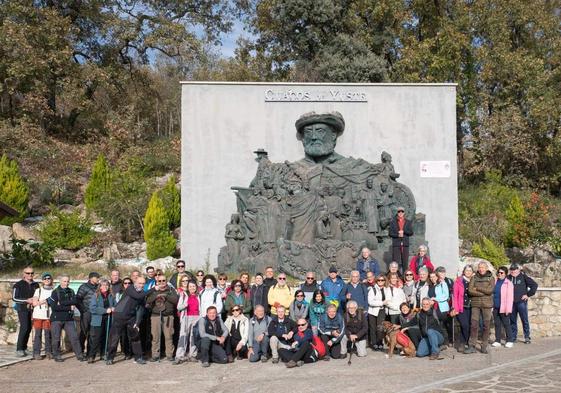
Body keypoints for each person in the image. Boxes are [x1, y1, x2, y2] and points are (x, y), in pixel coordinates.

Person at [105, 276, 147, 365]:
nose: (142, 285)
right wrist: (153, 289)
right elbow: (137, 296)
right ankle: (110, 357)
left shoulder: (143, 293)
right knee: (114, 338)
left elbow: (141, 308)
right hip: (119, 315)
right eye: (140, 283)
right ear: (135, 282)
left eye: (143, 283)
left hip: (131, 317)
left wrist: (137, 322)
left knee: (135, 336)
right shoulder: (130, 288)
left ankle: (138, 357)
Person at [47, 275, 84, 362]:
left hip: (69, 319)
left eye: (68, 281)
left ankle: (79, 355)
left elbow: (75, 301)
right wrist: (68, 307)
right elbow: (54, 307)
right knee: (56, 338)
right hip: (57, 319)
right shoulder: (55, 292)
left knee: (74, 337)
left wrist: (62, 303)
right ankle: (57, 355)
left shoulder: (71, 291)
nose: (66, 283)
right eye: (64, 281)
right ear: (60, 282)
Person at [145, 274, 179, 362]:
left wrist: (166, 296)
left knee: (168, 336)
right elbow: (148, 300)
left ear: (166, 281)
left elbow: (176, 301)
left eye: (163, 280)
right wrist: (156, 296)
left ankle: (169, 354)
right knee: (155, 336)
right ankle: (155, 354)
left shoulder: (171, 290)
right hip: (156, 315)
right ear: (157, 282)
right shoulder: (154, 291)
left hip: (168, 316)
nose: (162, 282)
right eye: (159, 281)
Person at [464, 262, 495, 354]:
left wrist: (477, 288)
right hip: (475, 304)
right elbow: (470, 291)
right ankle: (472, 346)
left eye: (483, 267)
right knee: (473, 325)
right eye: (480, 267)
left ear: (486, 268)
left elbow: (490, 291)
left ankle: (484, 346)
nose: (481, 269)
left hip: (487, 305)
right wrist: (482, 293)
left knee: (486, 326)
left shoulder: (491, 278)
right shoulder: (474, 277)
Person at [12, 267, 40, 357]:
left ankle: (24, 347)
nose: (30, 275)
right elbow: (14, 298)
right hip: (22, 309)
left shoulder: (36, 285)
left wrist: (35, 300)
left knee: (28, 328)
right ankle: (19, 349)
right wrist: (26, 300)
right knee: (24, 327)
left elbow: (38, 295)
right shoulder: (18, 285)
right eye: (28, 273)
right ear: (23, 274)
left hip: (32, 309)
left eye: (32, 273)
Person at [508, 263, 538, 344]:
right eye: (511, 269)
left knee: (524, 320)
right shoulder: (508, 278)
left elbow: (534, 285)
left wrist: (528, 295)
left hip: (521, 303)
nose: (513, 271)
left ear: (518, 269)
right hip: (511, 303)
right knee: (512, 321)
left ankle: (527, 337)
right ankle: (513, 337)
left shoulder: (523, 277)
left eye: (514, 269)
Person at [88, 279, 115, 363]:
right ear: (100, 286)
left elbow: (115, 304)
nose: (105, 287)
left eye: (106, 285)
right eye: (103, 285)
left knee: (106, 338)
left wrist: (114, 308)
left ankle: (103, 354)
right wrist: (105, 310)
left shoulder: (111, 295)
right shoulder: (95, 295)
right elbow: (92, 308)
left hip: (108, 319)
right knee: (96, 338)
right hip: (98, 320)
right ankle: (91, 356)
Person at [174, 279, 200, 364]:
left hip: (197, 317)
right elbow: (178, 307)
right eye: (190, 286)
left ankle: (192, 355)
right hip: (186, 317)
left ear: (196, 287)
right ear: (187, 287)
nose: (192, 288)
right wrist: (185, 304)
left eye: (193, 286)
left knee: (193, 336)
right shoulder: (184, 295)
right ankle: (180, 355)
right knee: (183, 335)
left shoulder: (199, 295)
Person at [31, 272, 54, 360]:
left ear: (51, 280)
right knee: (38, 334)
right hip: (38, 316)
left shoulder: (54, 291)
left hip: (48, 316)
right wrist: (45, 301)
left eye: (48, 278)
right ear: (42, 280)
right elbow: (34, 302)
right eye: (45, 279)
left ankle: (48, 352)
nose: (47, 280)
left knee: (48, 334)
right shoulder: (38, 290)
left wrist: (45, 301)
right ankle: (36, 353)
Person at [76, 272, 99, 354]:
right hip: (86, 313)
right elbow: (77, 299)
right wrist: (83, 310)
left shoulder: (98, 287)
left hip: (95, 313)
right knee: (84, 332)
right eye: (96, 277)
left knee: (92, 333)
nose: (98, 279)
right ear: (91, 278)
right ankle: (80, 351)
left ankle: (90, 352)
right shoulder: (84, 287)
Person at [451, 265, 474, 352]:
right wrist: (455, 308)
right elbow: (455, 296)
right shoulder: (459, 281)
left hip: (472, 307)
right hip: (462, 307)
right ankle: (463, 342)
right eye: (467, 270)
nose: (468, 272)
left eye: (470, 270)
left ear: (472, 272)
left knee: (470, 325)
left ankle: (467, 343)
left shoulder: (474, 280)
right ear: (464, 271)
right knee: (464, 325)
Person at [491, 266, 515, 348]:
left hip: (504, 307)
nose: (499, 274)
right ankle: (497, 340)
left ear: (505, 274)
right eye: (499, 272)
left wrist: (508, 309)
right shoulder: (495, 281)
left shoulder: (508, 283)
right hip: (495, 307)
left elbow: (510, 297)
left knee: (506, 324)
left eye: (502, 273)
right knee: (497, 324)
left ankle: (510, 340)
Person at [367, 274, 389, 351]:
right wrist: (382, 302)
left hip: (382, 310)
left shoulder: (387, 289)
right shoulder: (372, 289)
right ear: (376, 281)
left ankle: (380, 342)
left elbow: (388, 300)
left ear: (384, 281)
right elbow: (370, 302)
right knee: (373, 328)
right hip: (373, 311)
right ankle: (374, 343)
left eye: (382, 280)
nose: (380, 281)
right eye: (379, 280)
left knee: (380, 327)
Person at [427, 271, 450, 343]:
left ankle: (447, 340)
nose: (432, 278)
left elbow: (446, 296)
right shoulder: (430, 286)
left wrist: (435, 299)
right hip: (433, 308)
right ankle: (440, 340)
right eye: (431, 277)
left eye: (434, 276)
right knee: (437, 325)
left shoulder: (442, 284)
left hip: (441, 308)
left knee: (443, 325)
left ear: (437, 277)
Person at [389, 206, 414, 272]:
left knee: (405, 262)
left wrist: (404, 232)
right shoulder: (393, 222)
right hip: (396, 244)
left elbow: (411, 232)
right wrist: (398, 234)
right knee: (395, 262)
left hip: (405, 244)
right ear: (397, 213)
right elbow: (390, 233)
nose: (400, 213)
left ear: (404, 213)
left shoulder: (408, 222)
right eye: (399, 211)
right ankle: (395, 278)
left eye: (402, 211)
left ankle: (404, 277)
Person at [118, 277, 133, 359]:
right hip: (121, 317)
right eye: (125, 283)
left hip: (131, 317)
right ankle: (125, 352)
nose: (127, 284)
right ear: (123, 285)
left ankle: (130, 352)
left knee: (130, 335)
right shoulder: (119, 293)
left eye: (129, 283)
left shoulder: (134, 293)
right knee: (123, 336)